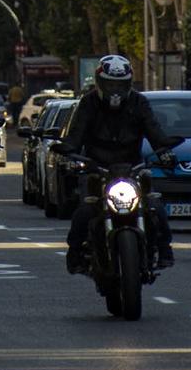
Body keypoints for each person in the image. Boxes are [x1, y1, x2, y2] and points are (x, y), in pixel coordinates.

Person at [56, 54, 177, 273]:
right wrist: (68, 152)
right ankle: (75, 254)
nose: (115, 90)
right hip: (97, 168)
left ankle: (164, 249)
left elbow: (154, 130)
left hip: (132, 168)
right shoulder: (88, 103)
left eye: (120, 85)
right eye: (110, 84)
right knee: (85, 211)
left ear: (128, 84)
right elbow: (76, 134)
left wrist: (165, 151)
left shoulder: (139, 102)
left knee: (154, 207)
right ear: (100, 83)